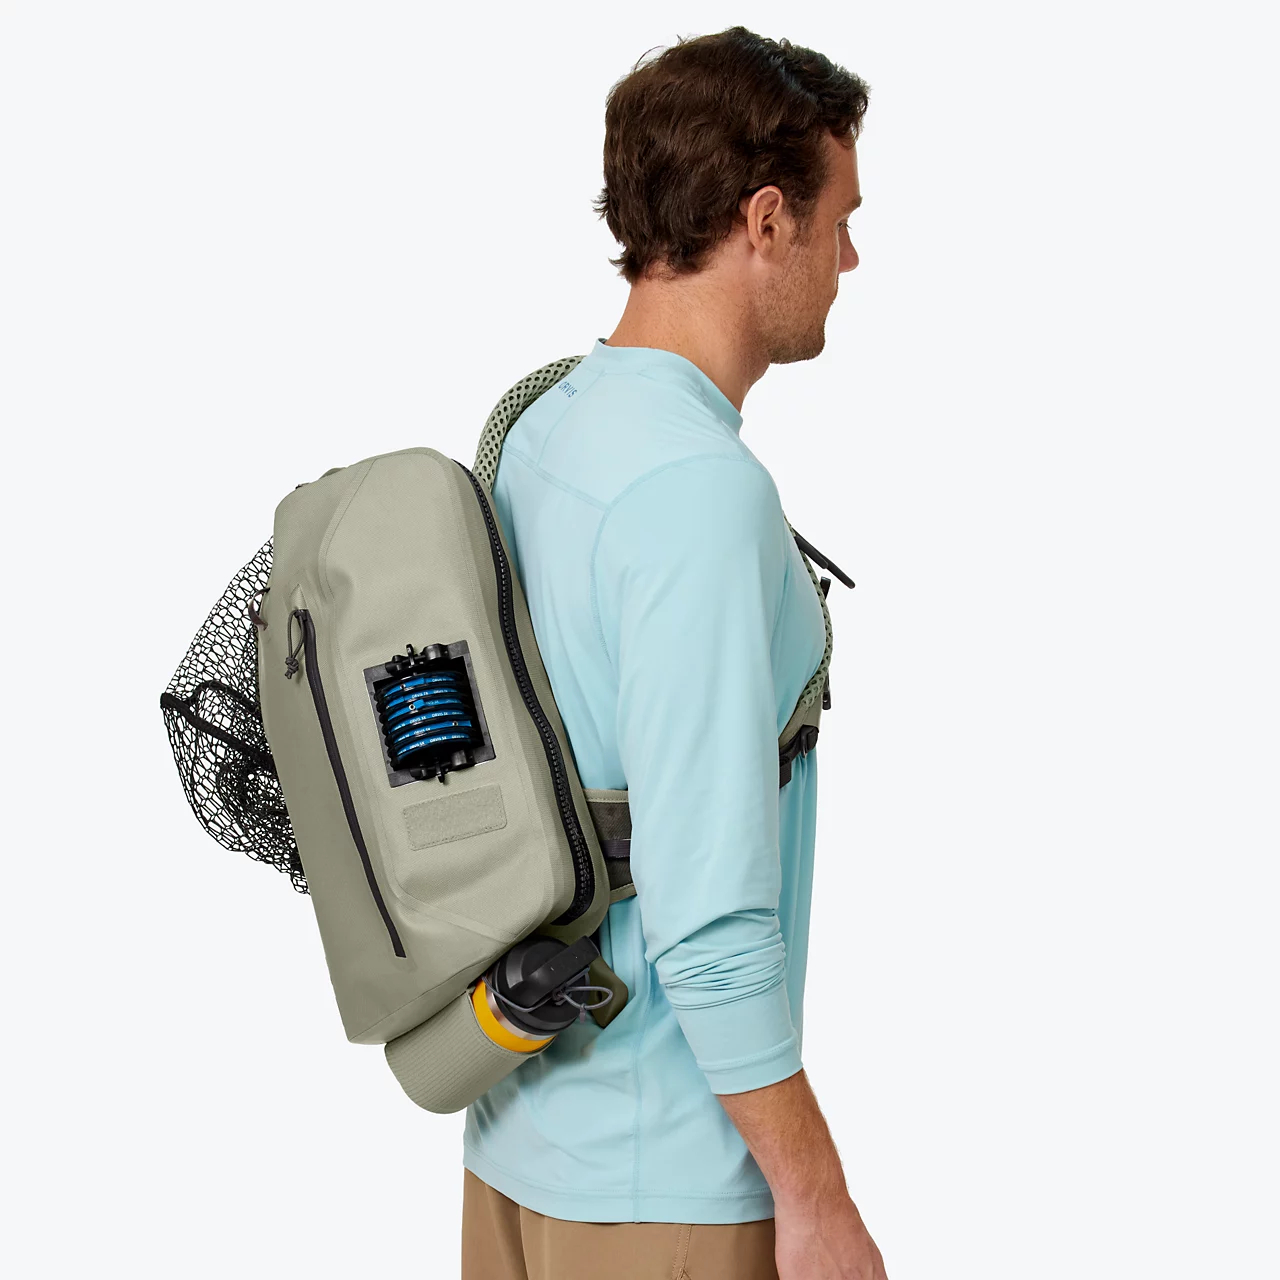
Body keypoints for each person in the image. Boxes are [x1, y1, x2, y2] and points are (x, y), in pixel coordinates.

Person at [461, 26, 886, 1280]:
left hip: (517, 1137)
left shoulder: (551, 423)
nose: (849, 257)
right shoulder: (695, 492)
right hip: (664, 1189)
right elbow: (705, 918)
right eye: (838, 221)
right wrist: (814, 1195)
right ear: (765, 220)